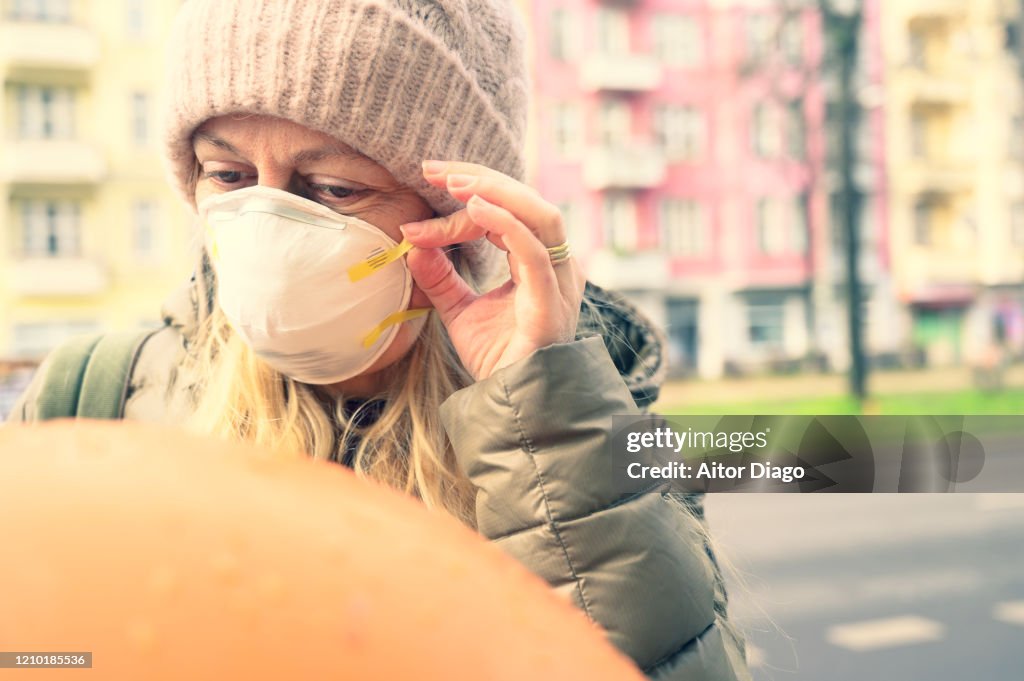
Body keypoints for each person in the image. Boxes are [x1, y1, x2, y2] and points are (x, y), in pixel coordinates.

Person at [9, 1, 750, 678]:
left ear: (458, 218)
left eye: (333, 187)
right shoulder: (93, 396)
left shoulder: (581, 425)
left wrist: (546, 422)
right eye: (228, 174)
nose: (267, 223)